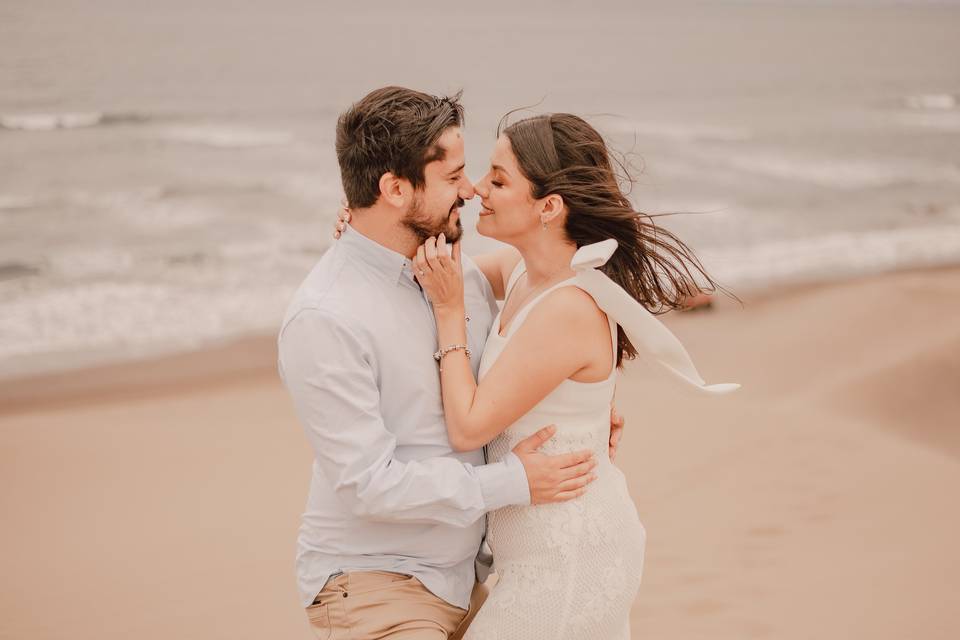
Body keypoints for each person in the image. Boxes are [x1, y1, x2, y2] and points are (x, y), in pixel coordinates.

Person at [278, 87, 625, 640]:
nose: (469, 191)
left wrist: (584, 404)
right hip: (379, 583)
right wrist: (511, 481)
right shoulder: (327, 317)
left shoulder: (456, 275)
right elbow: (369, 486)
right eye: (453, 176)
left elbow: (552, 297)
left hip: (473, 580)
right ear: (394, 189)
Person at [410, 112, 740, 639]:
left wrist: (451, 315)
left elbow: (469, 426)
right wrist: (363, 228)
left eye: (497, 180)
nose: (476, 191)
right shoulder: (522, 272)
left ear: (549, 207)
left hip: (568, 560)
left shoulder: (569, 307)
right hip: (532, 558)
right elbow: (436, 268)